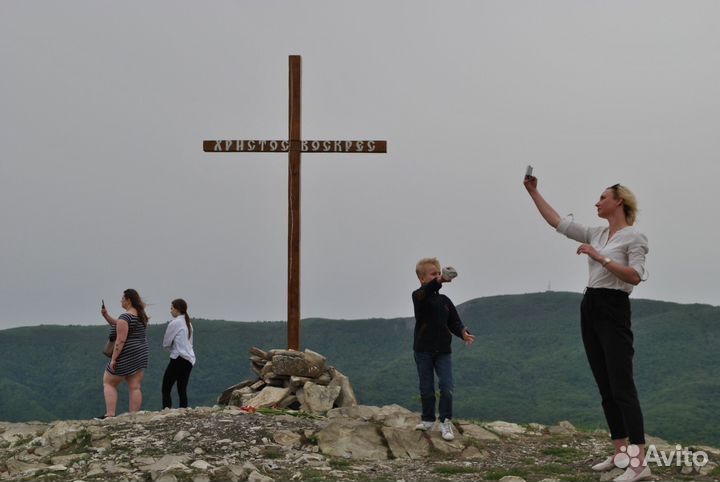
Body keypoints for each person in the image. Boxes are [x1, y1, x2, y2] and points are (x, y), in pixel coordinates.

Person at [523, 176, 651, 482]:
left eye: (602, 197)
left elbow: (635, 276)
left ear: (619, 201)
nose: (597, 202)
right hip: (590, 304)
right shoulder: (597, 231)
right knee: (605, 386)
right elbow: (557, 222)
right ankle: (620, 452)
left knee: (622, 387)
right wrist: (533, 191)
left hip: (614, 307)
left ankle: (639, 464)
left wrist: (600, 257)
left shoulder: (635, 237)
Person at [412, 258, 475, 441]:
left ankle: (445, 421)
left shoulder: (445, 300)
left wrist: (464, 333)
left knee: (446, 386)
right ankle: (428, 420)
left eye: (439, 273)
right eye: (434, 274)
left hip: (443, 351)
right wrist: (439, 281)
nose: (438, 276)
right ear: (422, 279)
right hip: (423, 350)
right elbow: (425, 293)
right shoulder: (418, 296)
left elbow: (454, 322)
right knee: (427, 387)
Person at [97, 289, 150, 419]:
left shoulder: (125, 317)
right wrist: (106, 316)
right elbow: (119, 324)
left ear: (128, 300)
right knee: (135, 386)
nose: (121, 300)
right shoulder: (141, 315)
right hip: (141, 353)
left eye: (122, 298)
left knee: (109, 382)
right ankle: (134, 417)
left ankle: (110, 415)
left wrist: (114, 360)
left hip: (126, 353)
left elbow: (120, 340)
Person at [161, 298, 196, 409]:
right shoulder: (189, 324)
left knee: (166, 387)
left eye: (172, 308)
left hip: (178, 358)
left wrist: (171, 348)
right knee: (182, 388)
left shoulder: (174, 323)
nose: (170, 311)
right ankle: (183, 410)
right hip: (189, 359)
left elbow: (166, 343)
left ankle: (166, 410)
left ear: (177, 309)